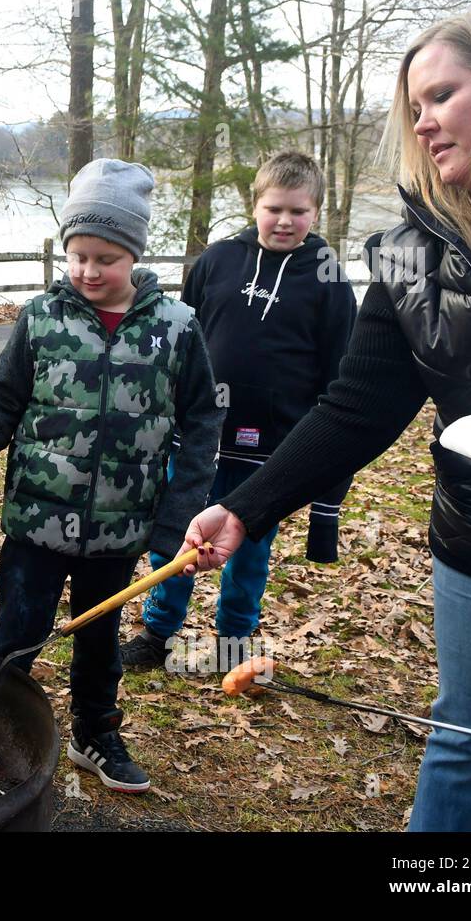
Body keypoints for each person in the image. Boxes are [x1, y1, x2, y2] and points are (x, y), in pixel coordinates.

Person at [180, 1, 471, 831]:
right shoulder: (408, 255)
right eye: (414, 108)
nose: (423, 123)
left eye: (441, 96)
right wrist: (246, 509)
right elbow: (355, 408)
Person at [0, 159, 223, 792]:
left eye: (105, 258)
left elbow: (203, 422)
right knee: (17, 632)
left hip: (120, 529)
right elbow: (1, 400)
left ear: (133, 254)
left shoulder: (177, 329)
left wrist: (176, 516)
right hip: (35, 521)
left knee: (99, 641)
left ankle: (94, 733)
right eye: (77, 256)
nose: (89, 272)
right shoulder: (41, 317)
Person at [122, 151, 357, 670]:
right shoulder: (217, 260)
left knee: (247, 552)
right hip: (199, 436)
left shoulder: (329, 278)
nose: (284, 221)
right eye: (274, 208)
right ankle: (158, 634)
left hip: (273, 446)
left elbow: (339, 370)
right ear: (255, 204)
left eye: (298, 211)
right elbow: (185, 341)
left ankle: (233, 644)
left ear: (315, 212)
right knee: (177, 538)